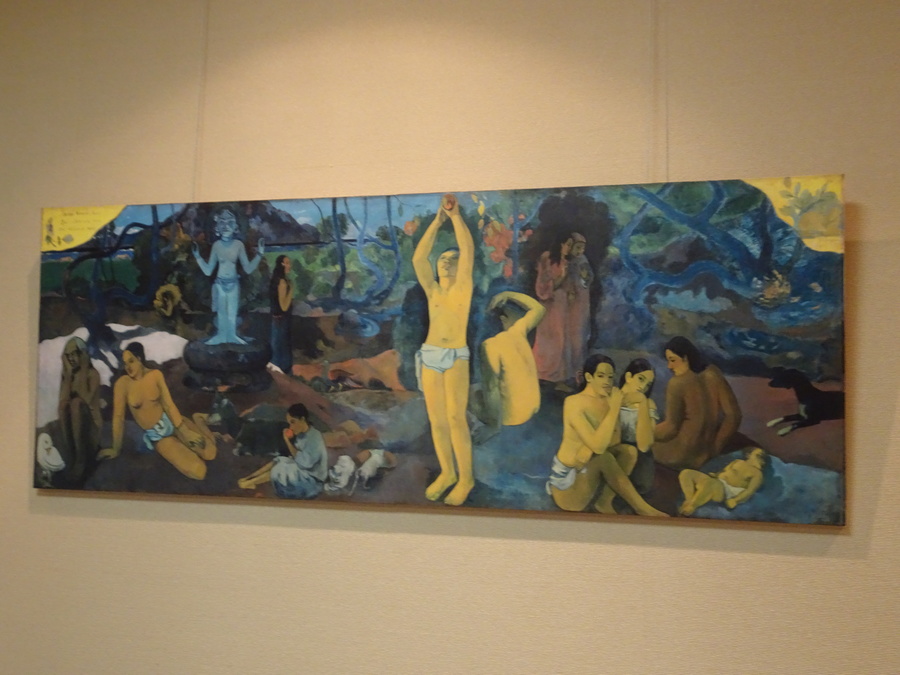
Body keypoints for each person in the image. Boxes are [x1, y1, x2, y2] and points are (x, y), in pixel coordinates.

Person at [411, 194, 476, 506]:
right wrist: (436, 222)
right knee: (436, 421)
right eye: (442, 259)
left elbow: (468, 249)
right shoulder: (433, 290)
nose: (446, 262)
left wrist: (455, 217)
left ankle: (466, 478)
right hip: (430, 355)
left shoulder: (463, 288)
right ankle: (448, 473)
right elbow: (418, 260)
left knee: (455, 418)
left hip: (455, 356)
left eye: (452, 259)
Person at [546, 354, 668, 517]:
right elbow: (599, 447)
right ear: (589, 377)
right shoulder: (574, 402)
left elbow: (615, 439)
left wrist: (588, 449)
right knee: (604, 457)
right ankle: (642, 508)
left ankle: (604, 501)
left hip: (586, 472)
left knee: (628, 451)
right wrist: (614, 408)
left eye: (610, 377)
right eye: (601, 376)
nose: (607, 381)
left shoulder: (608, 400)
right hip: (567, 486)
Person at [98, 342, 217, 480]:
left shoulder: (155, 375)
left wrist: (185, 432)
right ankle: (195, 427)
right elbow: (118, 417)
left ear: (139, 359)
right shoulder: (123, 384)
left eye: (131, 361)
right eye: (125, 363)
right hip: (159, 436)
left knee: (211, 453)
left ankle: (198, 419)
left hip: (174, 423)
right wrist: (115, 449)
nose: (128, 367)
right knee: (199, 471)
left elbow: (168, 405)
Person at [653, 336, 743, 470]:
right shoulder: (713, 373)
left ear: (686, 358)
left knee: (639, 443)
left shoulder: (677, 383)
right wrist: (715, 448)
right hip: (704, 454)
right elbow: (734, 416)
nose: (669, 366)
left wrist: (644, 432)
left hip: (679, 456)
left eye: (672, 360)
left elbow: (670, 429)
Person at [192, 210, 265, 345]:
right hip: (220, 284)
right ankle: (220, 336)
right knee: (221, 314)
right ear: (217, 228)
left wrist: (259, 254)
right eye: (222, 223)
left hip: (234, 284)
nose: (226, 226)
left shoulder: (238, 245)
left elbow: (248, 268)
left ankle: (232, 336)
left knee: (232, 314)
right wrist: (198, 257)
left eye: (229, 223)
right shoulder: (217, 246)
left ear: (235, 227)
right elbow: (208, 271)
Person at [479, 290, 546, 430]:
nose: (520, 319)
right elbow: (538, 309)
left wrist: (493, 426)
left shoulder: (490, 345)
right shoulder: (519, 332)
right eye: (517, 316)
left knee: (474, 394)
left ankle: (493, 424)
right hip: (533, 408)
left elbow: (492, 389)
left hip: (513, 418)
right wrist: (507, 294)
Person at [237, 403, 328, 499]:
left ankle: (252, 482)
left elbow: (304, 463)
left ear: (302, 419)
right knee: (279, 460)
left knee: (281, 467)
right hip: (304, 471)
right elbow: (298, 458)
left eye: (293, 422)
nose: (291, 427)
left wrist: (287, 441)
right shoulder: (302, 435)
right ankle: (249, 479)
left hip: (312, 480)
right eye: (290, 423)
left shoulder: (314, 437)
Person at [57, 337, 102, 485]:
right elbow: (62, 402)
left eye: (73, 354)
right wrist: (68, 376)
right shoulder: (69, 375)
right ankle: (72, 455)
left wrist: (82, 369)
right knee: (64, 405)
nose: (70, 359)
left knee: (76, 403)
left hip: (91, 433)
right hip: (74, 432)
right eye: (68, 355)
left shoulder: (92, 374)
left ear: (82, 354)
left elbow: (86, 400)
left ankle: (81, 459)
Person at [532, 233, 572, 383]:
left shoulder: (565, 261)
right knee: (547, 339)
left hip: (561, 305)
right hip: (549, 306)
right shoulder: (547, 258)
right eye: (568, 244)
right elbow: (543, 287)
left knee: (561, 338)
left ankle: (558, 377)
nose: (569, 248)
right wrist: (561, 278)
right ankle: (543, 374)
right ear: (560, 244)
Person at [678, 448, 766, 516]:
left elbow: (750, 491)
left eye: (762, 457)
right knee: (686, 473)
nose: (761, 458)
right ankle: (689, 500)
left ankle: (692, 506)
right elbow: (724, 471)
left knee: (712, 483)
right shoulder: (737, 462)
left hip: (726, 492)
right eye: (758, 455)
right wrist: (716, 475)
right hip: (716, 481)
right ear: (749, 455)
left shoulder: (757, 474)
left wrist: (735, 501)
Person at [617, 358, 658, 494]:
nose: (643, 387)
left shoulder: (648, 404)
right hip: (615, 452)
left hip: (640, 460)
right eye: (641, 379)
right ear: (629, 377)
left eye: (648, 384)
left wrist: (642, 402)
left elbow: (644, 445)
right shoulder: (611, 397)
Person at [564, 232, 593, 381]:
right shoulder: (565, 260)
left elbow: (588, 279)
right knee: (569, 336)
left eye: (582, 248)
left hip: (581, 302)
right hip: (568, 302)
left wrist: (584, 277)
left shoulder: (582, 260)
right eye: (577, 247)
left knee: (580, 335)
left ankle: (579, 371)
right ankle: (568, 371)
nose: (580, 251)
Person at [269, 254, 294, 373]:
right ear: (281, 265)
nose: (289, 265)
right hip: (281, 320)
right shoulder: (283, 282)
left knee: (277, 347)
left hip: (276, 319)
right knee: (282, 349)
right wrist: (291, 290)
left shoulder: (275, 280)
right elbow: (284, 306)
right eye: (287, 263)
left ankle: (278, 373)